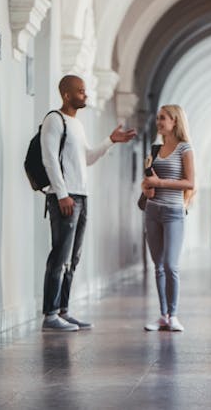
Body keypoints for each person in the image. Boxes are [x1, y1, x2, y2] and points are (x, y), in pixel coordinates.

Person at [40, 75, 136, 332]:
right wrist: (61, 194)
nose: (86, 95)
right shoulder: (54, 120)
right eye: (81, 91)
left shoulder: (77, 126)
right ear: (66, 95)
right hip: (65, 196)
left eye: (85, 91)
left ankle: (63, 310)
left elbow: (88, 158)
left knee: (74, 257)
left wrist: (110, 141)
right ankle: (50, 314)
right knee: (59, 255)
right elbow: (49, 159)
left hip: (81, 196)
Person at [141, 105, 195, 332]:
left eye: (163, 118)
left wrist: (160, 183)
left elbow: (190, 183)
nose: (158, 122)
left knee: (171, 265)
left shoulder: (185, 149)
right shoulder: (154, 149)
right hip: (152, 210)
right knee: (158, 266)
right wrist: (147, 187)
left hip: (174, 211)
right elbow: (147, 181)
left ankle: (173, 315)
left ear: (175, 121)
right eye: (157, 118)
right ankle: (162, 315)